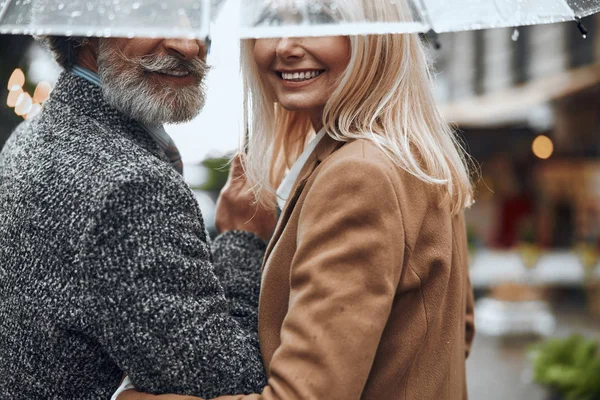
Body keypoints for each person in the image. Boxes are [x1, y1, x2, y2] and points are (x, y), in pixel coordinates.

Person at [120, 0, 476, 399]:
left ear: (374, 35)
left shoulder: (358, 175)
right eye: (270, 22)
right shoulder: (415, 157)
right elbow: (454, 335)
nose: (285, 45)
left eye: (320, 19)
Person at [0, 32, 276, 399]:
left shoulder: (35, 130)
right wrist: (242, 238)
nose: (189, 45)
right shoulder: (131, 186)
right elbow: (232, 381)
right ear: (84, 29)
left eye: (197, 18)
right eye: (155, 14)